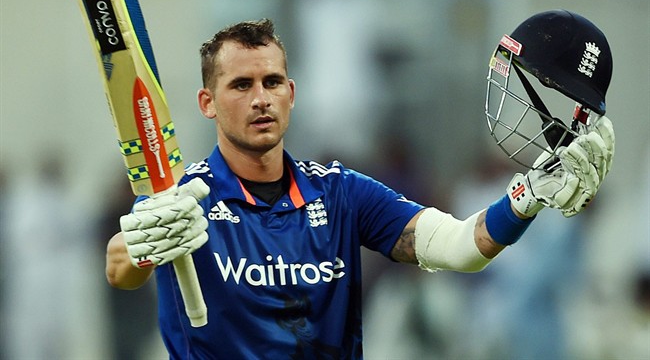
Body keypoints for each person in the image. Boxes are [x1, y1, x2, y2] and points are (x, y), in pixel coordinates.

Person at [105, 18, 615, 359]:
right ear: (207, 102)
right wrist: (145, 244)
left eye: (272, 82)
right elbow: (120, 265)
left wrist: (525, 199)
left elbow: (461, 247)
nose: (261, 98)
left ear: (292, 93)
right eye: (241, 85)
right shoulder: (183, 198)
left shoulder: (342, 194)